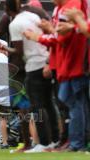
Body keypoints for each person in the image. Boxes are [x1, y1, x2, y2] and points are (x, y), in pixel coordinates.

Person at [24, 0, 89, 152]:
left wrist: (37, 36)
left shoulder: (72, 6)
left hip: (74, 64)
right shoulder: (62, 8)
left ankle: (76, 142)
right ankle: (72, 141)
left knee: (72, 104)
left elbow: (62, 38)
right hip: (66, 64)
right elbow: (64, 34)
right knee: (70, 103)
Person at [5, 0, 59, 153]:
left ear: (7, 10)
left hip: (33, 66)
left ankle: (43, 142)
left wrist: (2, 46)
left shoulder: (14, 24)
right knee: (49, 104)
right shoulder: (32, 16)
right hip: (46, 61)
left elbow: (19, 52)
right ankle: (55, 140)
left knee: (37, 106)